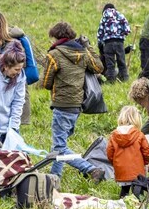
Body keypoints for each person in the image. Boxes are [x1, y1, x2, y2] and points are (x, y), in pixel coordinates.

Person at [42, 21, 105, 182]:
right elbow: (99, 68)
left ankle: (91, 169)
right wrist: (88, 46)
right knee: (59, 144)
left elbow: (46, 83)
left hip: (62, 105)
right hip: (77, 106)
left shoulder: (54, 55)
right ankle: (55, 178)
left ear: (56, 37)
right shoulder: (83, 53)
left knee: (60, 148)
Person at [107, 105, 149, 198]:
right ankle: (139, 205)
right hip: (137, 169)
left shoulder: (114, 135)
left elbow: (109, 153)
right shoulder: (139, 135)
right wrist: (145, 162)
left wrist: (115, 163)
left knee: (124, 189)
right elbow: (146, 151)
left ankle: (122, 204)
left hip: (121, 170)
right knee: (138, 190)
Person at [96, 3, 131, 82]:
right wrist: (120, 35)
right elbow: (127, 29)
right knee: (122, 63)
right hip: (119, 42)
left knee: (110, 65)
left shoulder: (104, 17)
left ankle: (111, 81)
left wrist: (100, 43)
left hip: (108, 43)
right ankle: (124, 79)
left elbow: (100, 32)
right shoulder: (120, 15)